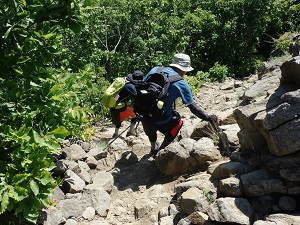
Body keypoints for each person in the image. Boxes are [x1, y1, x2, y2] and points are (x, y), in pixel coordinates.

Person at [141, 53, 222, 158]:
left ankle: (153, 148)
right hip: (160, 119)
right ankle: (159, 152)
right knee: (178, 122)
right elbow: (193, 108)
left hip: (143, 114)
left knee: (150, 122)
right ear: (184, 69)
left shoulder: (155, 69)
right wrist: (210, 118)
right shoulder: (181, 83)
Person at [110, 70, 144, 138]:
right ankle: (130, 132)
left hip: (113, 104)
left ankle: (116, 134)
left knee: (118, 120)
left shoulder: (125, 82)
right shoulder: (130, 86)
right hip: (120, 106)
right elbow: (137, 96)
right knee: (135, 115)